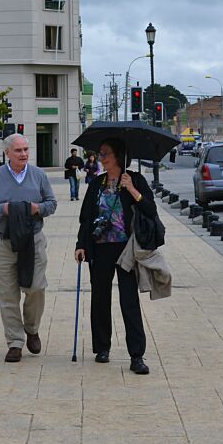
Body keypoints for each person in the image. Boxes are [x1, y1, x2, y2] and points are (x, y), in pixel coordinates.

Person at [74, 138, 156, 375]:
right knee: (100, 298)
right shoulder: (97, 183)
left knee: (129, 300)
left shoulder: (135, 180)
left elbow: (150, 209)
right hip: (100, 249)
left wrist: (132, 190)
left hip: (126, 249)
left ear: (118, 156)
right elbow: (86, 217)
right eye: (100, 154)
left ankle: (137, 355)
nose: (101, 158)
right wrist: (81, 244)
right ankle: (102, 348)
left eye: (106, 153)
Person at [0, 134, 57, 363]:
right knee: (7, 295)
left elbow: (51, 204)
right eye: (18, 150)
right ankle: (14, 341)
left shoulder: (38, 175)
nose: (23, 154)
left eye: (25, 149)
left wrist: (36, 208)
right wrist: (3, 210)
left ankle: (32, 328)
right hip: (3, 241)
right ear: (7, 153)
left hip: (33, 241)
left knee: (36, 288)